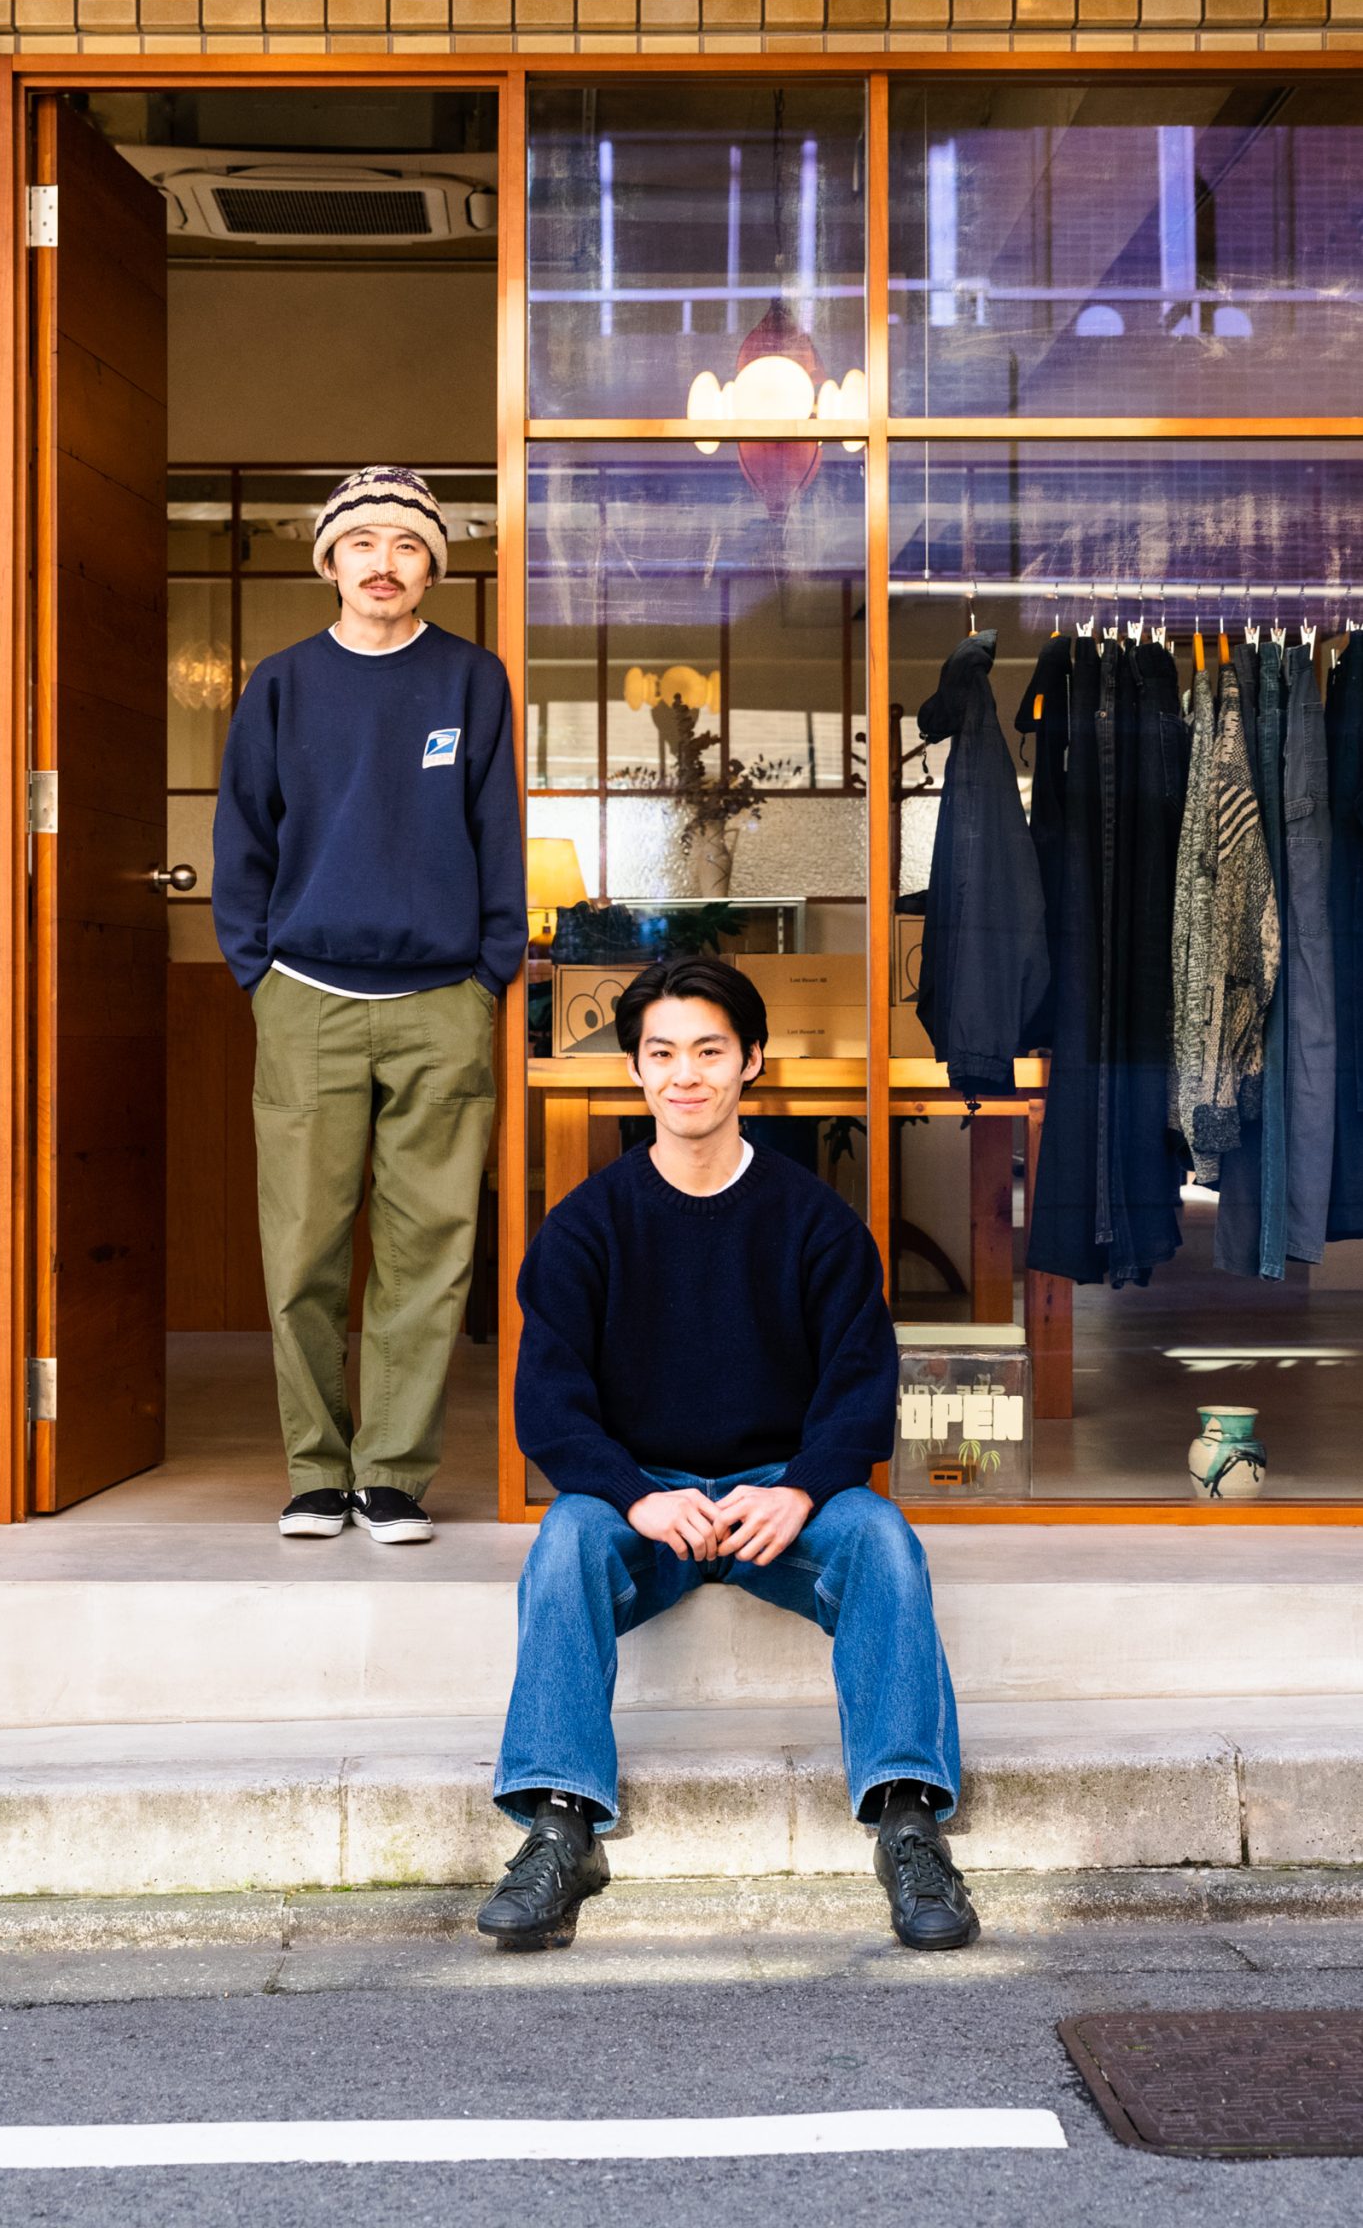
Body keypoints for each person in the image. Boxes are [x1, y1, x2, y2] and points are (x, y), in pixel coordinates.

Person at [478, 953, 976, 1952]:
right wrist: (633, 1496)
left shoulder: (815, 1223)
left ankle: (909, 1817)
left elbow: (858, 1386)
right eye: (661, 1053)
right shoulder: (586, 1227)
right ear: (636, 1071)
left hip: (772, 1498)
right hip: (647, 1504)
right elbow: (551, 1406)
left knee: (878, 1534)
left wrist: (800, 1490)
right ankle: (560, 1824)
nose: (685, 1073)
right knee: (568, 1535)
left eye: (709, 1050)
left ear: (752, 1061)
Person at [212, 466, 523, 1545]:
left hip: (444, 998)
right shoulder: (282, 684)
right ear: (332, 561)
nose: (383, 562)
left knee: (430, 1248)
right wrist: (257, 969)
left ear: (432, 563)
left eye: (406, 543)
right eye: (362, 543)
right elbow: (241, 838)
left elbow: (499, 836)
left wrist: (491, 969)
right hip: (307, 996)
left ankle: (390, 1474)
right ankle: (313, 1469)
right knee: (301, 1247)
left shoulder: (472, 682)